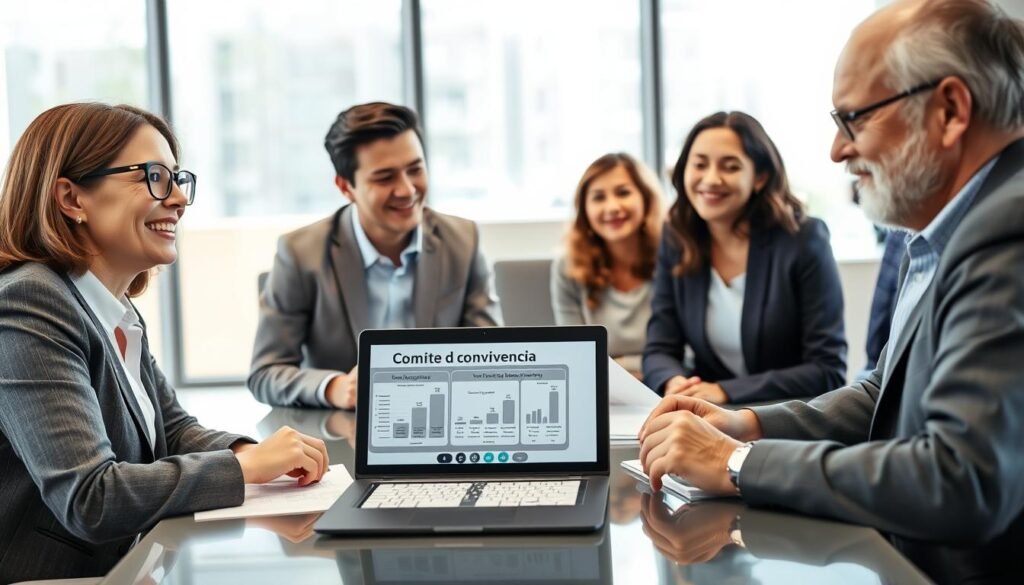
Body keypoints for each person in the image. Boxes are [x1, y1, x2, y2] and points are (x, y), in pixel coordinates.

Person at [637, 1, 1024, 581]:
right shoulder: (945, 229)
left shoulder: (1007, 229)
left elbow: (960, 478)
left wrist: (736, 462)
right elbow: (881, 395)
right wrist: (748, 424)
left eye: (854, 119)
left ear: (949, 110)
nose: (837, 150)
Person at [0, 103, 330, 583]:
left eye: (178, 178)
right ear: (71, 198)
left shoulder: (112, 308)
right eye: (154, 176)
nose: (178, 198)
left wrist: (254, 455)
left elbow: (172, 432)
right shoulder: (30, 303)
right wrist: (246, 469)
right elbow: (90, 497)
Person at [248, 102, 501, 409]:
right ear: (345, 186)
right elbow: (265, 373)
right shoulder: (300, 253)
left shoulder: (463, 241)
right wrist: (333, 387)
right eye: (385, 178)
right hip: (346, 434)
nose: (407, 190)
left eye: (415, 169)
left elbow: (492, 355)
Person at [642, 111, 847, 404]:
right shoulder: (677, 238)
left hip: (786, 421)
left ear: (760, 177)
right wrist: (674, 382)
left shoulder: (804, 239)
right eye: (699, 164)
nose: (711, 179)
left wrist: (725, 391)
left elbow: (827, 370)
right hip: (709, 417)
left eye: (730, 166)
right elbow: (660, 348)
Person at [551, 152, 664, 378]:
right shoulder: (568, 266)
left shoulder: (673, 257)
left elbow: (690, 353)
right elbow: (575, 354)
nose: (612, 207)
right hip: (600, 389)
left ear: (646, 199)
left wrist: (622, 366)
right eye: (598, 197)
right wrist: (632, 367)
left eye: (623, 193)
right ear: (584, 210)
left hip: (668, 385)